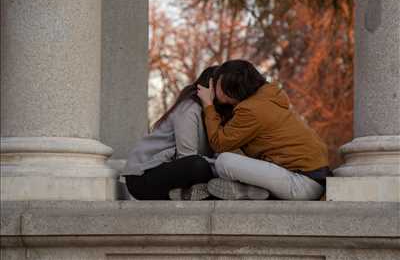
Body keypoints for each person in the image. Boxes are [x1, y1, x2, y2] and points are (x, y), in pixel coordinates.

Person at [197, 59, 331, 200]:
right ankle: (251, 191)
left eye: (217, 84)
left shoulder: (252, 110)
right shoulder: (265, 98)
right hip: (309, 179)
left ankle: (246, 191)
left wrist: (208, 105)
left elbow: (219, 143)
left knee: (223, 161)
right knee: (228, 160)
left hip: (301, 183)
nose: (213, 89)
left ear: (229, 90)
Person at [122, 66, 222, 200]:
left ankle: (184, 194)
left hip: (172, 173)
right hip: (142, 178)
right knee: (198, 166)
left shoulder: (215, 114)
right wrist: (223, 165)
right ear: (210, 87)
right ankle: (189, 192)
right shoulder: (189, 109)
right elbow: (186, 157)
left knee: (214, 174)